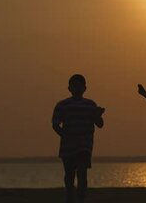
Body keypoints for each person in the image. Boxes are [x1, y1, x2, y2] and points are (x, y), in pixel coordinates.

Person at [52, 74, 105, 203]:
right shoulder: (62, 105)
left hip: (84, 146)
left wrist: (97, 115)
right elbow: (55, 124)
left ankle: (81, 199)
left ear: (84, 88)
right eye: (75, 86)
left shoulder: (90, 105)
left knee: (82, 174)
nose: (77, 88)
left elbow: (100, 124)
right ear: (69, 88)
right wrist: (65, 135)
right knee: (69, 176)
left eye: (79, 86)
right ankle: (70, 197)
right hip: (68, 147)